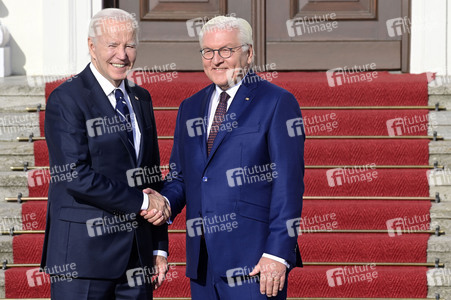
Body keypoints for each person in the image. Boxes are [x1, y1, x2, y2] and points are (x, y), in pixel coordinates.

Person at [143, 16, 304, 299]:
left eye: (226, 50)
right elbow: (181, 176)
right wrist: (164, 202)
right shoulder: (190, 107)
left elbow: (288, 184)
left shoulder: (277, 102)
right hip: (203, 264)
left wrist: (277, 254)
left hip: (255, 264)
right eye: (208, 51)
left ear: (249, 53)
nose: (216, 60)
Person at [41, 8, 169, 299]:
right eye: (112, 45)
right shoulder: (66, 98)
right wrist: (143, 201)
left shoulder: (141, 98)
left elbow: (150, 175)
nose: (121, 55)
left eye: (129, 45)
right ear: (91, 46)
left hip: (137, 260)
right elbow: (75, 175)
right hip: (82, 261)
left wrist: (158, 246)